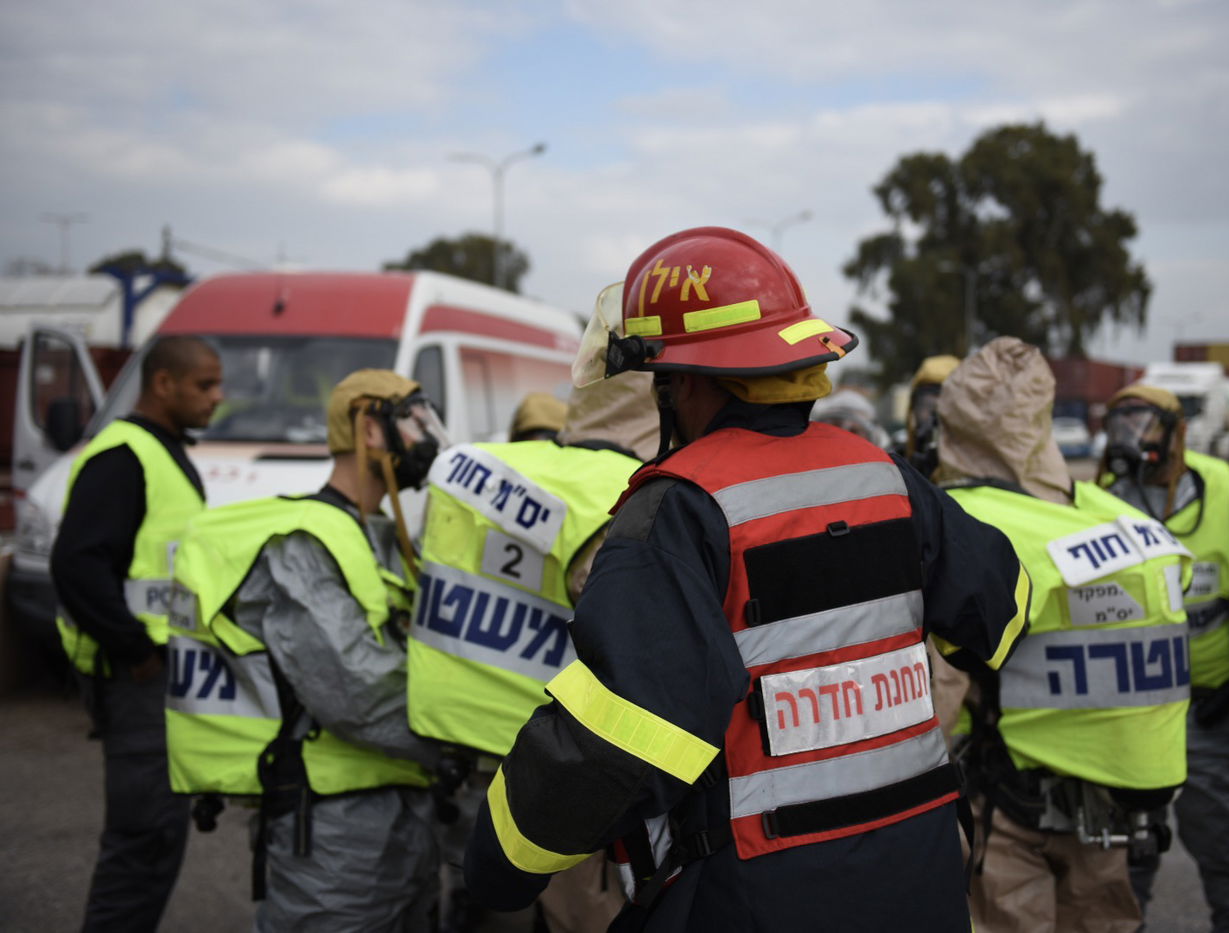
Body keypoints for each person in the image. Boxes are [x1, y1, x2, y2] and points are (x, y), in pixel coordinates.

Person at [460, 226, 1027, 932]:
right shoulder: (885, 477)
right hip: (921, 875)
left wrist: (496, 863)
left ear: (685, 382)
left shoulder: (679, 508)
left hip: (761, 892)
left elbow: (618, 736)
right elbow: (1001, 610)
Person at [163, 369, 446, 931]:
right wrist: (477, 732)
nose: (428, 438)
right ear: (371, 427)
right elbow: (357, 693)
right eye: (415, 421)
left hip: (405, 805)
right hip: (333, 830)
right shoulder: (305, 540)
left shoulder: (381, 535)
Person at [935, 337, 1192, 933]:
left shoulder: (977, 525)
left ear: (955, 424)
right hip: (1115, 797)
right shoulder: (1115, 515)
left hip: (1010, 800)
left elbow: (935, 695)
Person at [410, 370, 657, 932]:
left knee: (470, 905)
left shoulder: (467, 468)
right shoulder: (635, 488)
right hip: (556, 763)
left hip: (456, 740)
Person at [1097, 384, 1229, 931]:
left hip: (1208, 717)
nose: (1129, 439)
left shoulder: (1224, 495)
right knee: (1120, 862)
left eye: (1142, 425)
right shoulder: (1099, 499)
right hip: (1126, 722)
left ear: (1176, 433)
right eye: (1119, 425)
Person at [50, 335, 222, 931]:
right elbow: (75, 564)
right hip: (136, 679)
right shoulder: (123, 456)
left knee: (156, 839)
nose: (216, 397)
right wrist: (135, 649)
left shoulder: (163, 451)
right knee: (141, 842)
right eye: (205, 385)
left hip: (159, 676)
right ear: (164, 384)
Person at [905, 354, 960, 478]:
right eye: (927, 406)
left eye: (943, 408)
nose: (933, 418)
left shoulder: (975, 469)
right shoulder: (898, 462)